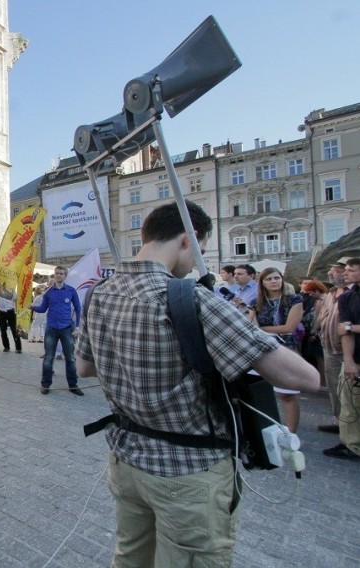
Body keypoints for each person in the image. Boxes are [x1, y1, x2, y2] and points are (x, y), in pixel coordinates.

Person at [76, 200, 319, 566]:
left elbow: (84, 368)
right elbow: (306, 378)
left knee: (130, 557)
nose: (195, 262)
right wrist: (244, 330)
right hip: (187, 471)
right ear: (187, 240)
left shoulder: (98, 293)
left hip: (126, 459)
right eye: (200, 250)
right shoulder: (192, 299)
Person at [248, 267, 304, 433]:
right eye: (269, 279)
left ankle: (291, 433)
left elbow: (289, 327)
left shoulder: (295, 299)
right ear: (262, 283)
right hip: (262, 350)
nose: (273, 281)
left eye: (276, 278)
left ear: (282, 280)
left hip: (286, 348)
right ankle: (264, 430)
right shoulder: (255, 303)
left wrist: (261, 329)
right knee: (259, 392)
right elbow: (250, 326)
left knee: (287, 394)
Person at [31, 266, 82, 396]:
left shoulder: (71, 291)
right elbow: (43, 308)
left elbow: (78, 308)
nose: (58, 276)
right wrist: (32, 307)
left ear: (65, 276)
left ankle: (73, 385)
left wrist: (77, 327)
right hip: (51, 328)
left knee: (70, 358)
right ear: (54, 276)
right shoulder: (48, 292)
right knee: (48, 357)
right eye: (56, 274)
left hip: (67, 329)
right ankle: (45, 384)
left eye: (61, 274)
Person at [329, 256, 360, 460]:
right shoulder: (348, 296)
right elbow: (344, 331)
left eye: (350, 269)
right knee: (349, 403)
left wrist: (351, 327)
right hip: (355, 358)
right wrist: (348, 361)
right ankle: (351, 444)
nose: (345, 273)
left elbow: (347, 327)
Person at [318, 258, 349, 433]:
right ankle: (339, 421)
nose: (331, 273)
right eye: (332, 270)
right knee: (334, 387)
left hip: (345, 349)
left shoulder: (352, 294)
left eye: (336, 270)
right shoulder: (331, 293)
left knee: (348, 390)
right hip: (329, 347)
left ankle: (349, 426)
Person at [0, 284, 21, 353]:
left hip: (11, 311)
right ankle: (6, 347)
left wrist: (17, 309)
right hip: (1, 312)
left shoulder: (11, 289)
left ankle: (18, 348)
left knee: (15, 330)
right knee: (3, 330)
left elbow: (16, 299)